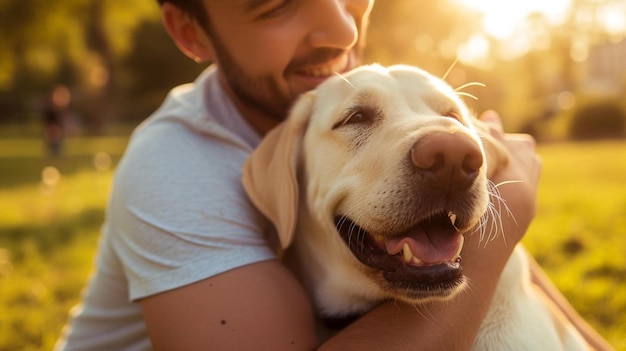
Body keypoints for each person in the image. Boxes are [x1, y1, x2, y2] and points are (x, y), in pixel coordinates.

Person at [55, 1, 613, 350]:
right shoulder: (176, 166)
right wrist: (507, 211)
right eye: (278, 5)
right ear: (189, 31)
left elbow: (514, 270)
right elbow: (498, 248)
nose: (343, 31)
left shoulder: (334, 93)